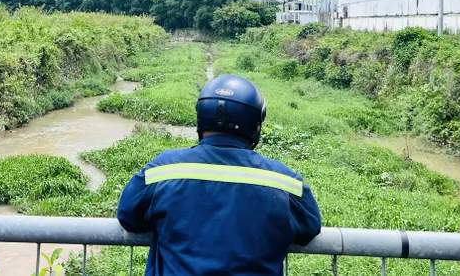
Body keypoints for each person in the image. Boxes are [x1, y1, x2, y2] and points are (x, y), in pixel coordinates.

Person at [116, 74, 322, 275]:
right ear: (256, 126)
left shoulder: (161, 171)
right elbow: (309, 227)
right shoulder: (285, 183)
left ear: (201, 118)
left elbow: (129, 216)